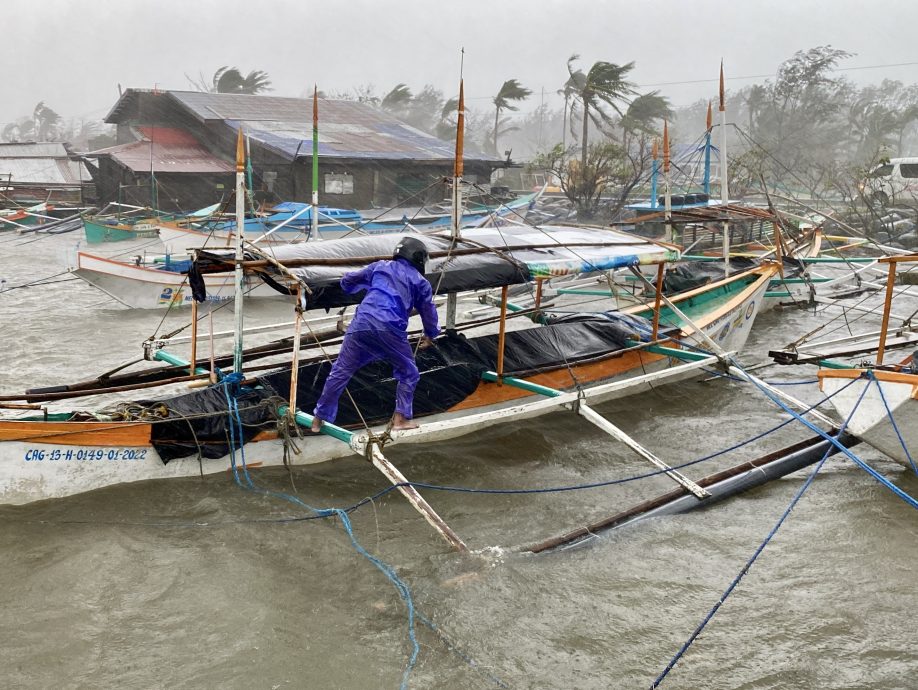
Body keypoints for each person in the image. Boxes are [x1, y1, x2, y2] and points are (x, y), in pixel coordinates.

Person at [310, 236, 439, 433]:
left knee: (341, 371)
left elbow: (348, 280)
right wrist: (431, 334)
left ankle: (318, 419)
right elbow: (428, 311)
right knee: (409, 372)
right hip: (390, 327)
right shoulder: (420, 282)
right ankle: (400, 420)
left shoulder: (380, 266)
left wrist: (349, 286)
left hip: (360, 323)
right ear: (419, 259)